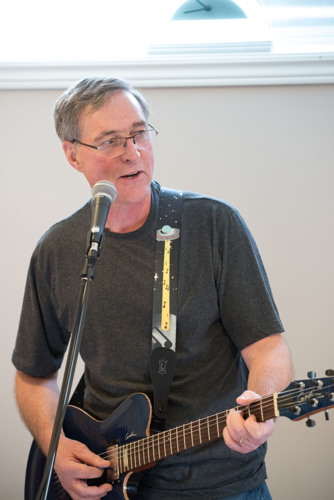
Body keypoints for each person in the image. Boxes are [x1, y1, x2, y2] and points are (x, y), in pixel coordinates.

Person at [12, 76, 293, 500]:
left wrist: (260, 404)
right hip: (108, 481)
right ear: (72, 154)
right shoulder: (57, 250)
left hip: (221, 481)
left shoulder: (214, 224)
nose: (133, 152)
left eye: (139, 133)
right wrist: (59, 447)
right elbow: (33, 376)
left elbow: (267, 347)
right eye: (110, 140)